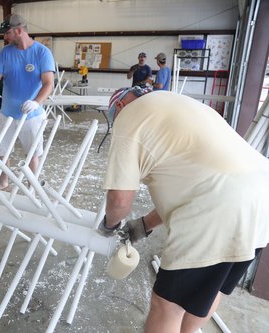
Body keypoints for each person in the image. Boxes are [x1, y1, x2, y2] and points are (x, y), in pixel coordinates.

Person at [98, 87, 269, 333]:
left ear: (120, 107)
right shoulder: (179, 104)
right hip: (262, 197)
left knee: (167, 306)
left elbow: (119, 200)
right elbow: (193, 185)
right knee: (209, 291)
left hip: (219, 209)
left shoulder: (129, 116)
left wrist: (109, 227)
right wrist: (145, 224)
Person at [0, 14, 55, 190]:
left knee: (32, 154)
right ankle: (4, 181)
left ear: (19, 30)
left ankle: (34, 186)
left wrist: (37, 102)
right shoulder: (5, 52)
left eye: (7, 33)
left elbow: (48, 83)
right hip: (7, 113)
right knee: (2, 152)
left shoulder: (42, 52)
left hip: (32, 115)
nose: (5, 37)